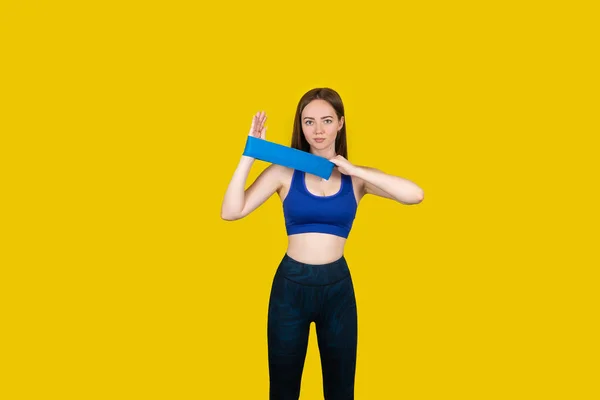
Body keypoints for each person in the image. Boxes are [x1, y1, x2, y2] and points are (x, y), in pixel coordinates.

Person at [221, 87, 424, 399]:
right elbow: (231, 211)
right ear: (300, 126)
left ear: (340, 123)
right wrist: (250, 153)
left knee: (341, 391)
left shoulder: (356, 179)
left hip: (337, 289)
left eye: (327, 121)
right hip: (291, 288)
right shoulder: (284, 171)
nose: (318, 130)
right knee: (283, 390)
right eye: (309, 122)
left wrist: (355, 169)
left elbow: (415, 195)